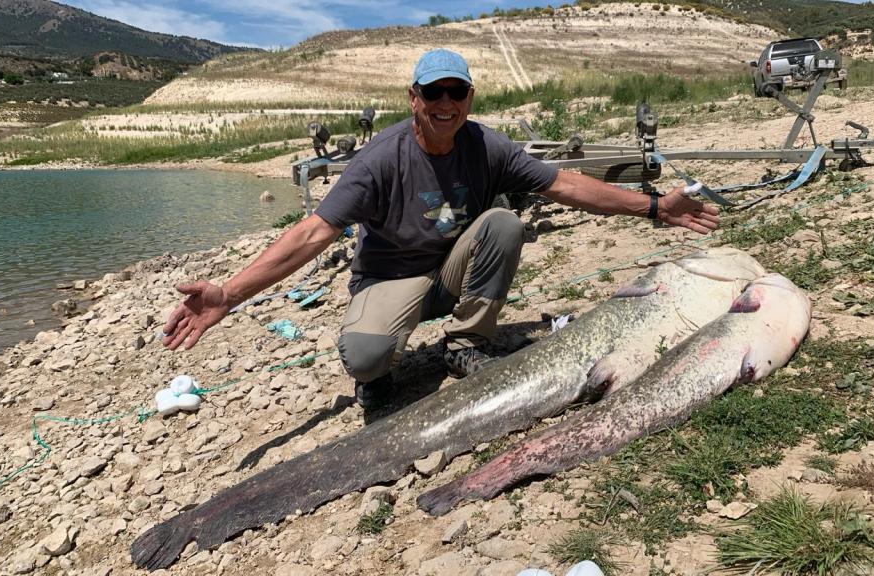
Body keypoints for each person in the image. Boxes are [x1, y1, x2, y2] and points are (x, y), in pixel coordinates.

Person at [161, 48, 720, 410]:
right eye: (434, 93)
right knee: (366, 358)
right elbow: (311, 233)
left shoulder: (487, 145)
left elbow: (566, 185)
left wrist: (654, 207)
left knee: (503, 223)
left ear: (470, 98)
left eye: (457, 92)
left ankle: (466, 343)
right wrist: (228, 294)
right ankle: (380, 369)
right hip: (391, 280)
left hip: (452, 272)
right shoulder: (379, 161)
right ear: (414, 98)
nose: (445, 103)